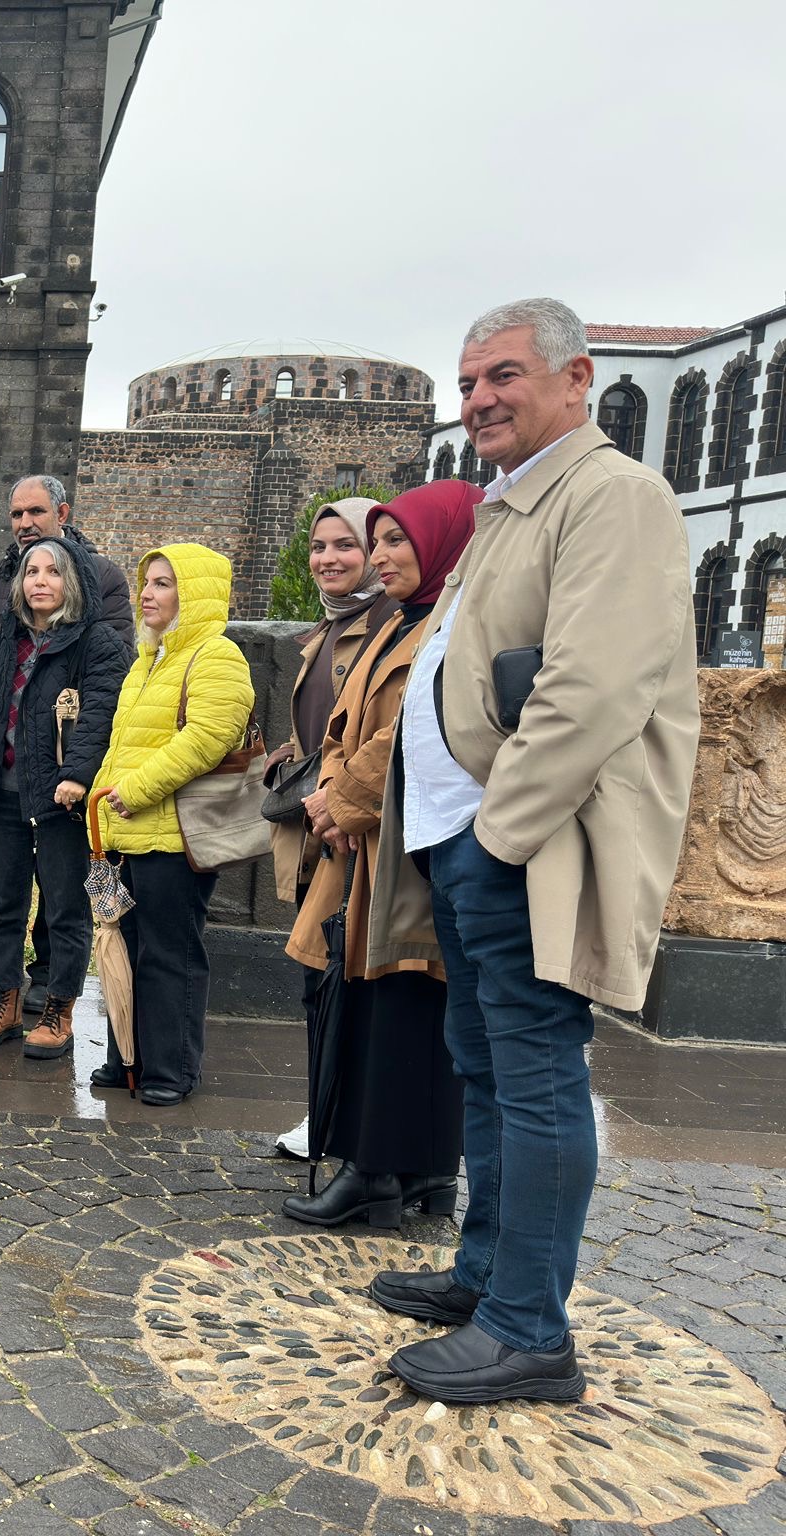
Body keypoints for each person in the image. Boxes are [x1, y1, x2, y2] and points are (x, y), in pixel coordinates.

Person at [366, 299, 700, 1406]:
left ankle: (527, 1329)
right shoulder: (512, 508)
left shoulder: (613, 497)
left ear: (576, 378)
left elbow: (589, 689)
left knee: (537, 1074)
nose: (477, 402)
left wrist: (492, 834)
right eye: (465, 384)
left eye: (501, 375)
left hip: (521, 840)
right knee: (487, 1069)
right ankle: (484, 1276)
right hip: (468, 837)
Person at [280, 481, 479, 1227]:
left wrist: (345, 799)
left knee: (411, 1008)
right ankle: (398, 1165)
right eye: (384, 540)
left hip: (410, 848)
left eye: (401, 541)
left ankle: (396, 1168)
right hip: (367, 844)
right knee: (377, 1003)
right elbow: (343, 722)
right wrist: (334, 790)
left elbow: (407, 731)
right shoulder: (403, 623)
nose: (386, 555)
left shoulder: (447, 627)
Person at [0, 473, 133, 1011]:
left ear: (62, 515)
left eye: (37, 513)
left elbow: (102, 703)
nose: (25, 523)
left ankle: (55, 1003)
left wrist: (76, 771)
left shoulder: (97, 616)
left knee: (63, 904)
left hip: (57, 786)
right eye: (31, 572)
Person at [87, 544, 255, 1106]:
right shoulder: (149, 658)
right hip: (128, 834)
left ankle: (170, 1069)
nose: (147, 594)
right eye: (146, 583)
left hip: (174, 838)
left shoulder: (217, 656)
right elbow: (123, 745)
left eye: (163, 583)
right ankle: (127, 1059)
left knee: (168, 953)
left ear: (195, 593)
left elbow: (208, 739)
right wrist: (102, 805)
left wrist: (134, 790)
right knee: (124, 948)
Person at [265, 496, 392, 1160]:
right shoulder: (332, 627)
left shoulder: (386, 625)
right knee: (323, 979)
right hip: (322, 822)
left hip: (355, 829)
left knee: (339, 976)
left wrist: (342, 797)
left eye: (346, 545)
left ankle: (336, 1122)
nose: (327, 559)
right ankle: (327, 1113)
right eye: (319, 546)